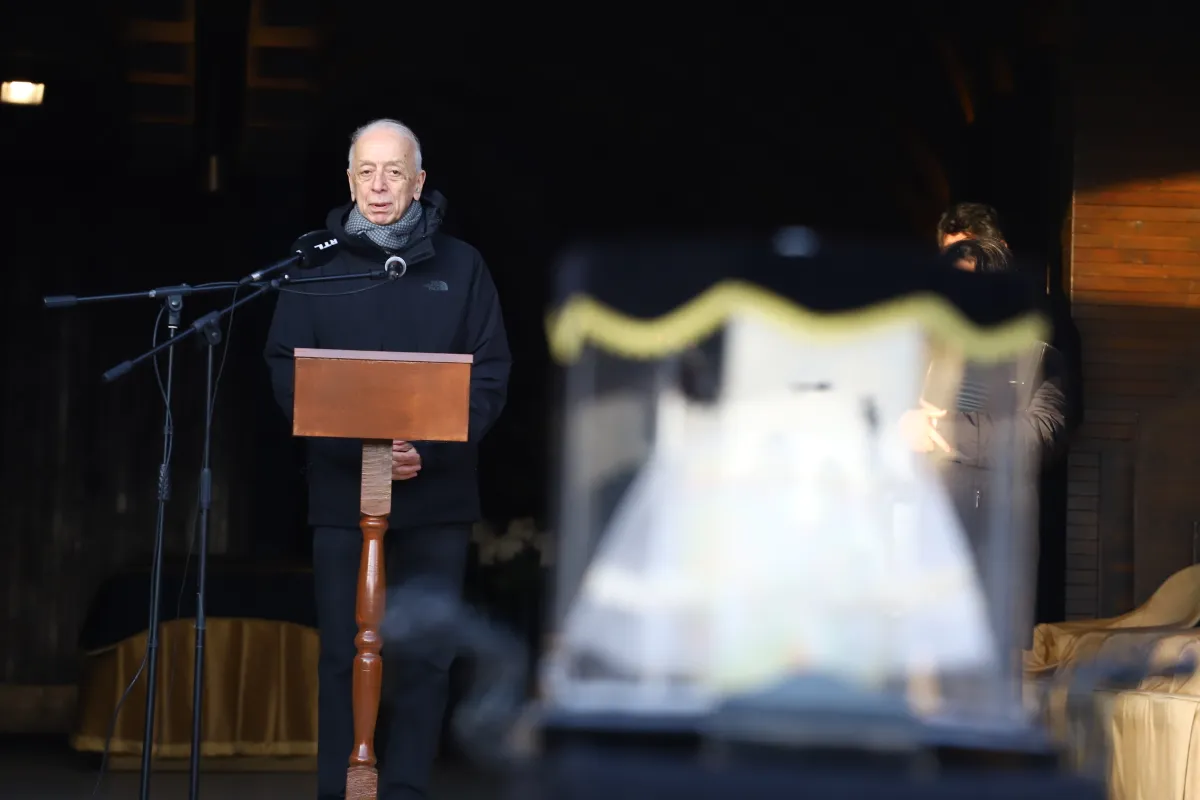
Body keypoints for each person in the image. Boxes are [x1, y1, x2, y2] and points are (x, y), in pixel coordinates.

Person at [263, 118, 511, 800]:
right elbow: (287, 369)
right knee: (341, 650)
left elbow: (490, 372)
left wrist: (422, 447)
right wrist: (364, 448)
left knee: (427, 654)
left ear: (418, 182)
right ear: (349, 182)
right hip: (342, 486)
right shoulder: (313, 263)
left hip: (438, 488)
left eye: (394, 172)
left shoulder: (462, 266)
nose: (379, 186)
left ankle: (403, 789)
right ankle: (338, 788)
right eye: (366, 172)